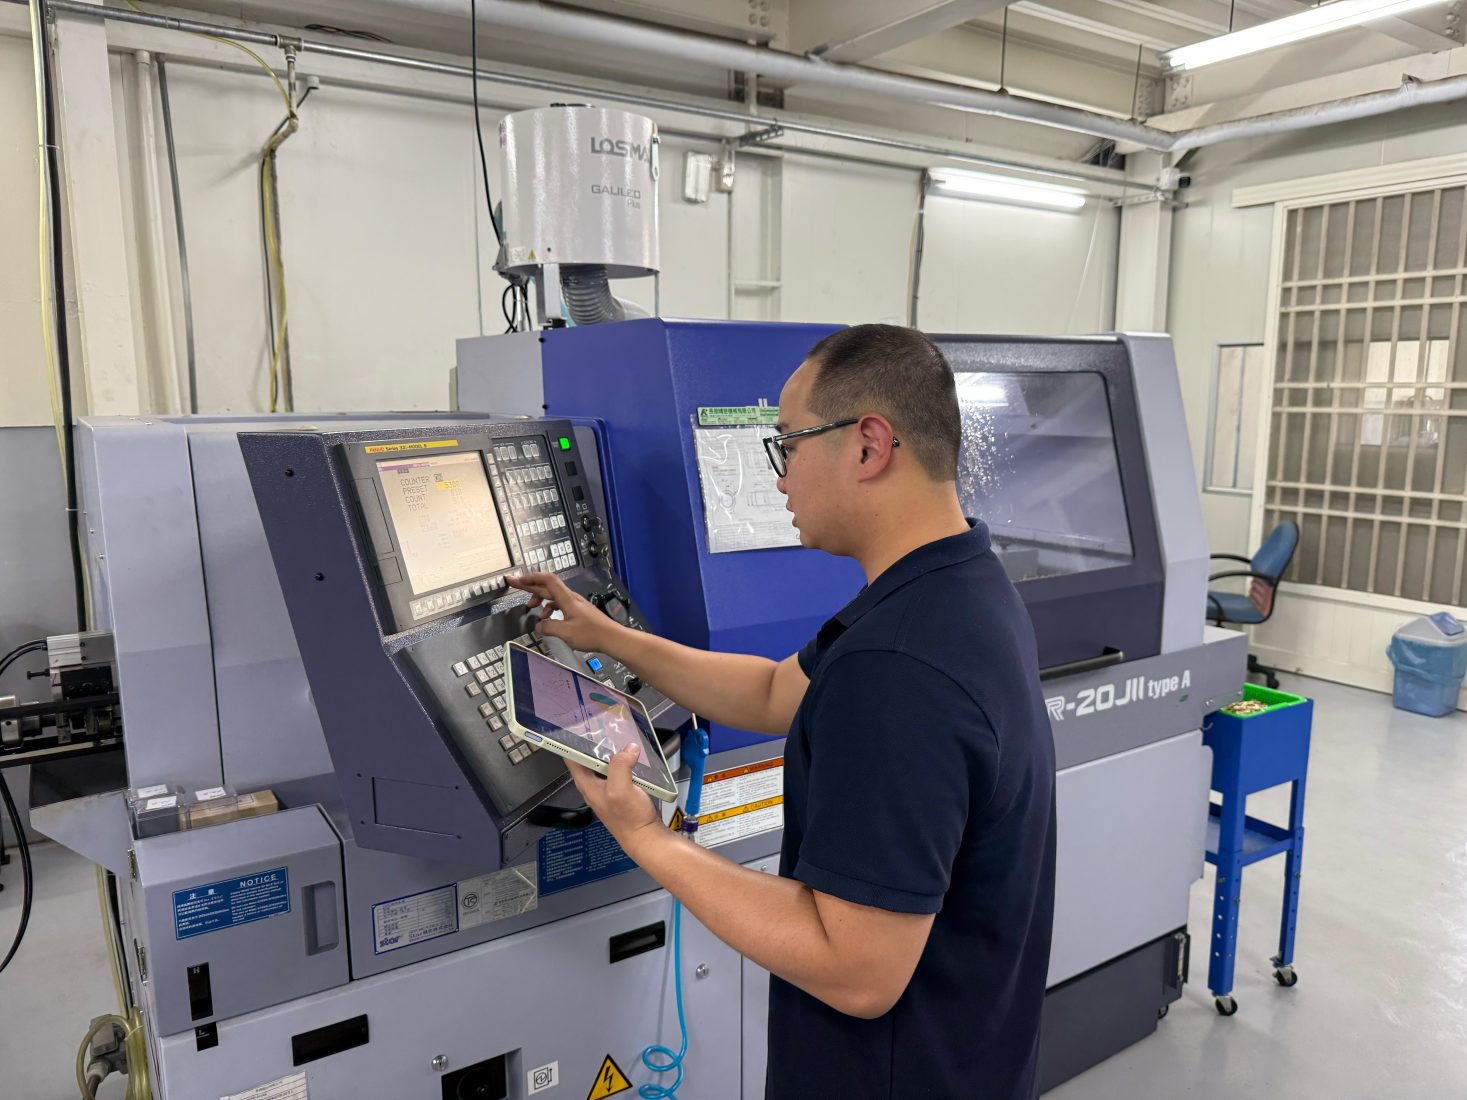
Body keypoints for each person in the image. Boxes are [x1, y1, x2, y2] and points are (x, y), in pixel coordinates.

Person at [508, 324, 1056, 1099]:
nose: (778, 479)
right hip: (967, 1055)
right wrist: (613, 638)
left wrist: (645, 837)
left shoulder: (896, 669)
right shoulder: (956, 584)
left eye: (787, 446)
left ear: (868, 445)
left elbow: (856, 970)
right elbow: (771, 691)